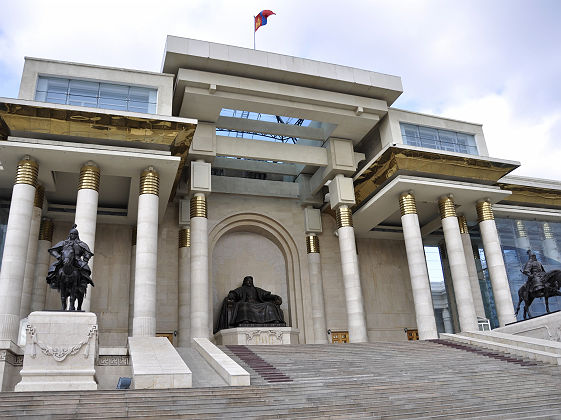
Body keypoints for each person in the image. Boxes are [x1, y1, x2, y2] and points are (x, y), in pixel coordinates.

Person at [46, 224, 94, 309]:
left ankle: (83, 282)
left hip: (77, 261)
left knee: (85, 270)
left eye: (75, 234)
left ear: (77, 235)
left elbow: (88, 253)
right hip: (64, 260)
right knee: (53, 268)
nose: (73, 236)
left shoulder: (81, 244)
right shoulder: (64, 243)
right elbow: (53, 250)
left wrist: (85, 261)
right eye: (71, 234)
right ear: (69, 234)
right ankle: (53, 280)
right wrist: (58, 256)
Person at [215, 276, 285, 333]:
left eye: (251, 280)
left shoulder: (257, 289)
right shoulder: (241, 289)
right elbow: (234, 294)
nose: (249, 282)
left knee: (269, 305)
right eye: (248, 280)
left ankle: (274, 320)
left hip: (257, 303)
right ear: (244, 282)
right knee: (244, 306)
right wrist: (230, 296)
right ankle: (245, 320)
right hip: (247, 303)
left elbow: (266, 295)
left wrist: (275, 297)